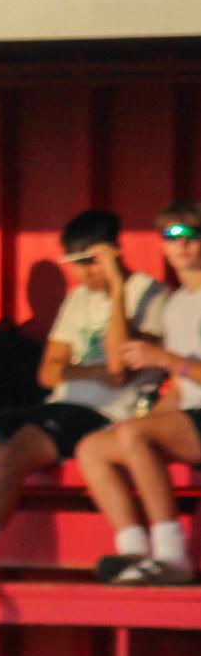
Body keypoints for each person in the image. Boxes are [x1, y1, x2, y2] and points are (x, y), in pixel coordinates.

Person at [0, 209, 166, 599]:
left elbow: (118, 368)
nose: (83, 274)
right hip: (56, 405)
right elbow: (47, 373)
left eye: (91, 263)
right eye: (75, 265)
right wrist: (90, 372)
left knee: (14, 452)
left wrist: (115, 290)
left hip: (104, 414)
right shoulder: (77, 300)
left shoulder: (149, 294)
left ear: (112, 253)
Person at [65, 203, 201, 584]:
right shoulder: (177, 305)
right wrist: (150, 416)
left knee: (133, 435)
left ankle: (173, 557)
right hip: (190, 418)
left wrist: (164, 358)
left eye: (192, 236)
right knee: (94, 446)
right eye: (171, 237)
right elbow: (181, 391)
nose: (182, 247)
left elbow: (179, 369)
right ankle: (134, 550)